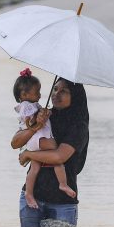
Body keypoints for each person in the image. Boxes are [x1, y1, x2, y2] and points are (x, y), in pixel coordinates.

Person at [11, 78, 89, 227]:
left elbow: (59, 157)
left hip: (63, 202)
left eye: (64, 91)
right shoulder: (43, 115)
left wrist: (28, 154)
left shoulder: (79, 126)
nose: (56, 94)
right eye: (55, 89)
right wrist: (35, 126)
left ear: (75, 96)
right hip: (33, 196)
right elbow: (15, 143)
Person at [12, 68, 76, 209]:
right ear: (24, 94)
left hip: (33, 142)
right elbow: (28, 122)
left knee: (35, 168)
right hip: (40, 138)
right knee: (56, 157)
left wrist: (43, 113)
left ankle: (29, 193)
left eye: (63, 91)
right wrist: (38, 118)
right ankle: (63, 184)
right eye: (37, 92)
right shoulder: (26, 107)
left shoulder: (31, 105)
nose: (40, 95)